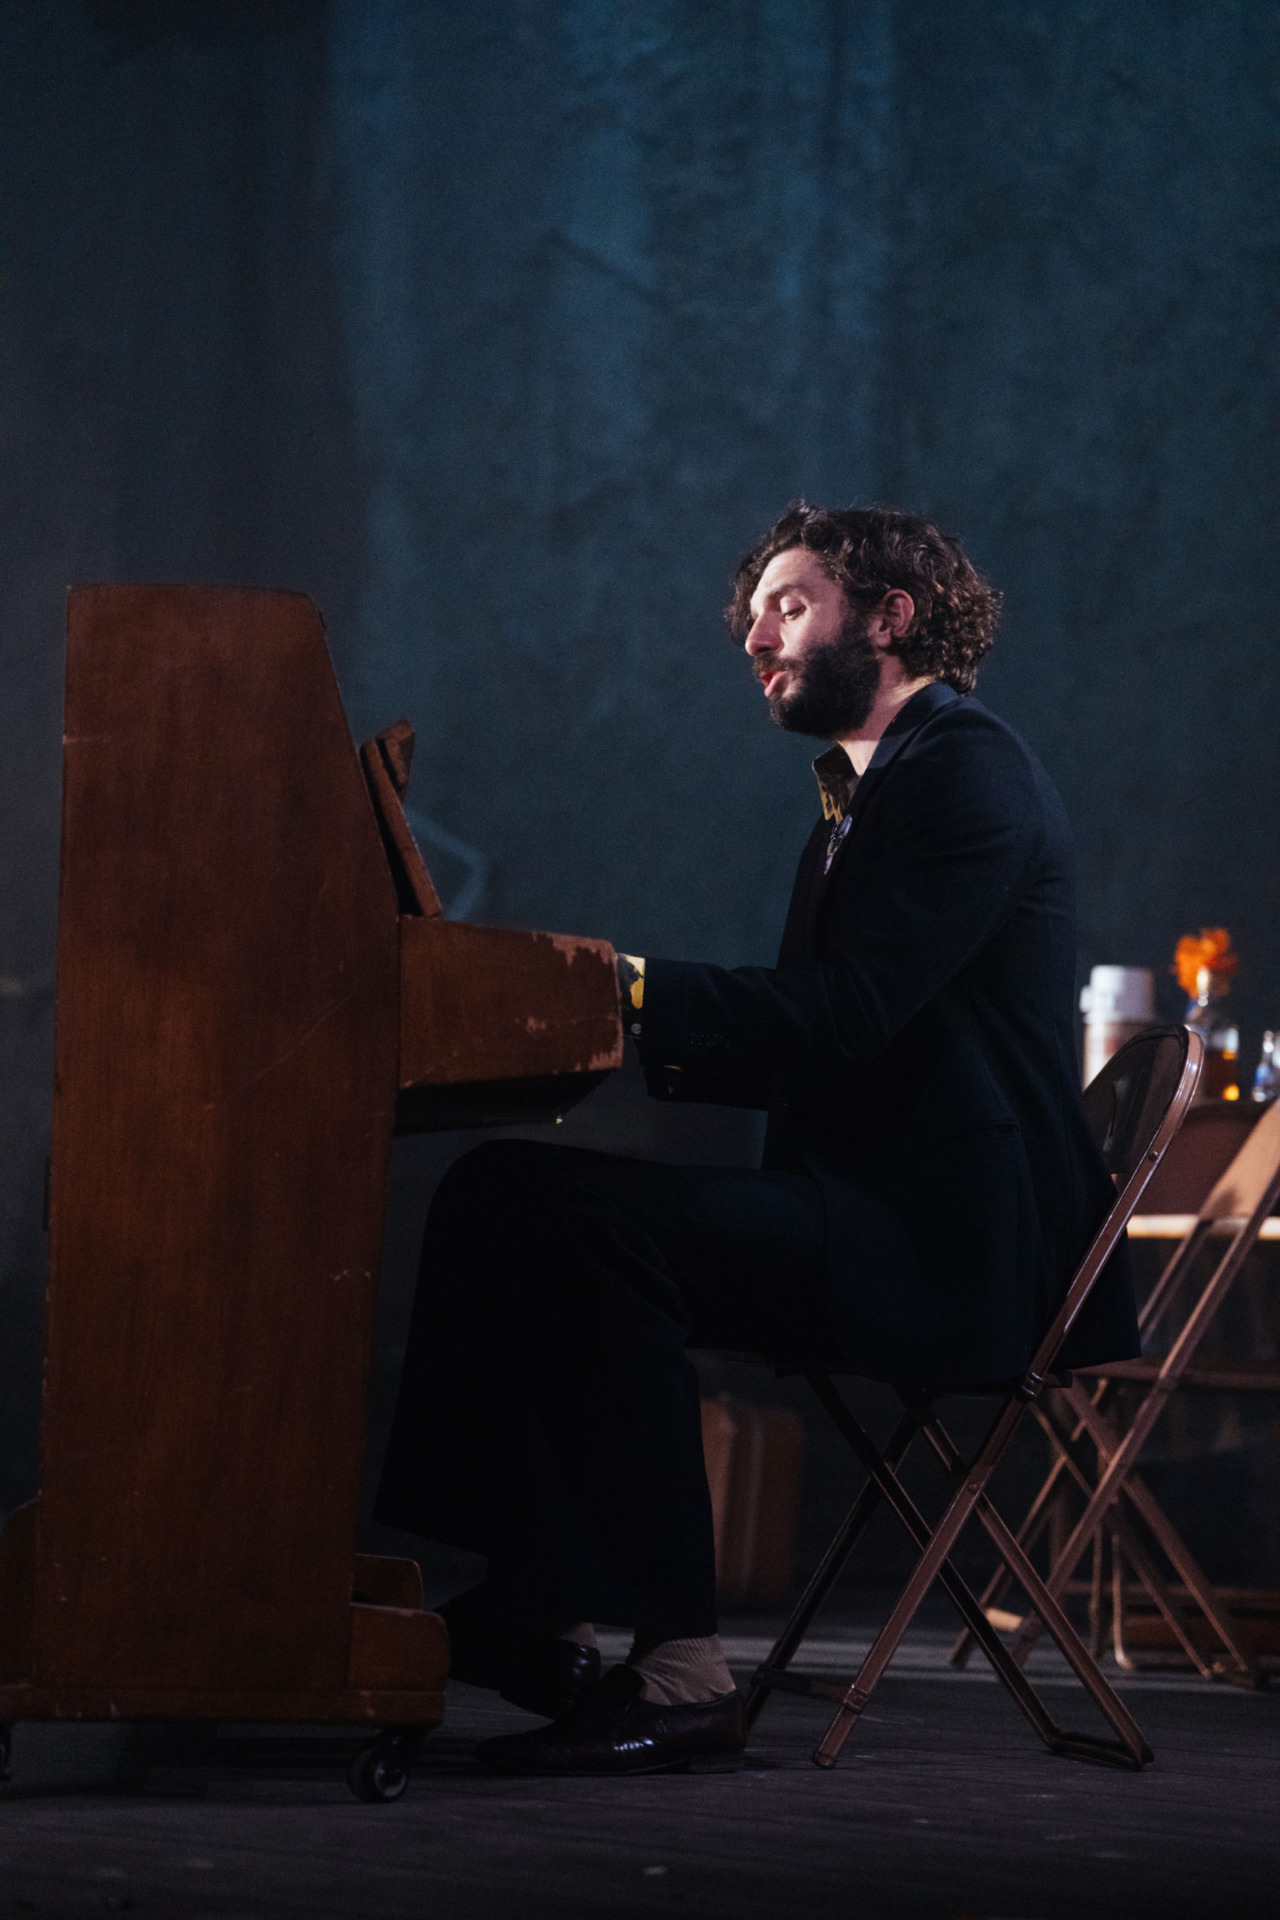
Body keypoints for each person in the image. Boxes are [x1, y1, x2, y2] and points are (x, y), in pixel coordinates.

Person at [374, 502, 1137, 1777]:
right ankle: (539, 1604)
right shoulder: (868, 790)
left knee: (581, 1223)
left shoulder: (964, 771)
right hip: (874, 1211)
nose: (751, 636)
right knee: (504, 1189)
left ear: (888, 618)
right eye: (752, 611)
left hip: (944, 1250)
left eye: (787, 605)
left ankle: (680, 1670)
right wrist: (581, 1026)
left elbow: (844, 1014)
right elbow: (823, 1039)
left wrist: (616, 986)